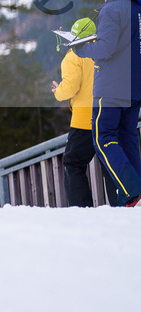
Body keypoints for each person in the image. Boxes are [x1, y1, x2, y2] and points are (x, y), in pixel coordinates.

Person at [74, 0, 141, 207]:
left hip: (112, 88)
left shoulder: (112, 9)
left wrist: (80, 48)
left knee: (104, 138)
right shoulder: (137, 8)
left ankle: (132, 194)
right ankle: (137, 190)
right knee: (128, 137)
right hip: (135, 88)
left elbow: (104, 49)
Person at [51, 17, 116, 206]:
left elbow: (70, 88)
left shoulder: (72, 57)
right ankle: (120, 201)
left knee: (73, 163)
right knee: (109, 161)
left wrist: (58, 91)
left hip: (85, 120)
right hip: (109, 114)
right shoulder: (105, 51)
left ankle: (82, 207)